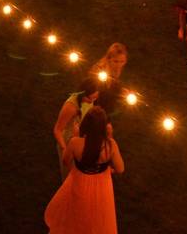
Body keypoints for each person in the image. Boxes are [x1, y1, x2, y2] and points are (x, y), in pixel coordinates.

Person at [44, 106, 124, 234]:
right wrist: (108, 169)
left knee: (76, 210)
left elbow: (66, 161)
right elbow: (120, 169)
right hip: (102, 185)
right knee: (98, 213)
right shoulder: (110, 145)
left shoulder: (75, 143)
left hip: (79, 180)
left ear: (86, 124)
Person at [52, 78, 100, 179]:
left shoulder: (90, 99)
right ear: (83, 94)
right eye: (89, 99)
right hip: (68, 142)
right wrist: (65, 149)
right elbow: (57, 130)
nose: (91, 101)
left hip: (81, 140)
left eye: (94, 99)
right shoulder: (71, 107)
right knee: (70, 176)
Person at [89, 43, 128, 115]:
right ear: (109, 59)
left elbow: (112, 86)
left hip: (105, 108)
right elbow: (99, 92)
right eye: (116, 61)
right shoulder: (99, 70)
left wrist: (122, 91)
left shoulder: (116, 71)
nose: (119, 65)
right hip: (92, 107)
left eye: (122, 61)